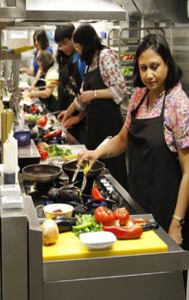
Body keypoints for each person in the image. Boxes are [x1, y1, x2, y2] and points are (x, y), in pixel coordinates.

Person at [78, 33, 189, 249]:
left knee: (165, 277)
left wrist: (177, 222)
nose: (149, 75)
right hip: (138, 200)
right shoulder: (138, 97)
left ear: (167, 64)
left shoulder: (178, 104)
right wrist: (98, 152)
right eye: (143, 68)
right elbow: (123, 139)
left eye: (155, 66)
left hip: (167, 206)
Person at [58, 24, 128, 188]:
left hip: (109, 126)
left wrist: (94, 94)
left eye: (77, 45)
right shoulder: (91, 62)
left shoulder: (106, 56)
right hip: (95, 128)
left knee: (112, 172)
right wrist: (67, 112)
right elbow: (82, 97)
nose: (76, 49)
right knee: (95, 171)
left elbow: (120, 90)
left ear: (86, 43)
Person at [54, 24, 86, 143]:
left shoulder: (81, 60)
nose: (61, 48)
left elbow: (86, 94)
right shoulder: (65, 59)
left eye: (64, 43)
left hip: (81, 118)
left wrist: (78, 117)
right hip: (69, 113)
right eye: (59, 45)